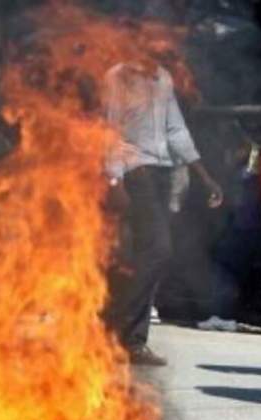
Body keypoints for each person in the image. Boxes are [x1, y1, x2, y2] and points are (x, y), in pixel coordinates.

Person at [104, 50, 224, 366]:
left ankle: (126, 337)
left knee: (145, 254)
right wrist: (115, 179)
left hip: (161, 173)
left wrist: (205, 177)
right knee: (158, 249)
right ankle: (122, 334)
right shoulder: (119, 76)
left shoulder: (163, 78)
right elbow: (109, 130)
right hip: (134, 171)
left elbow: (176, 131)